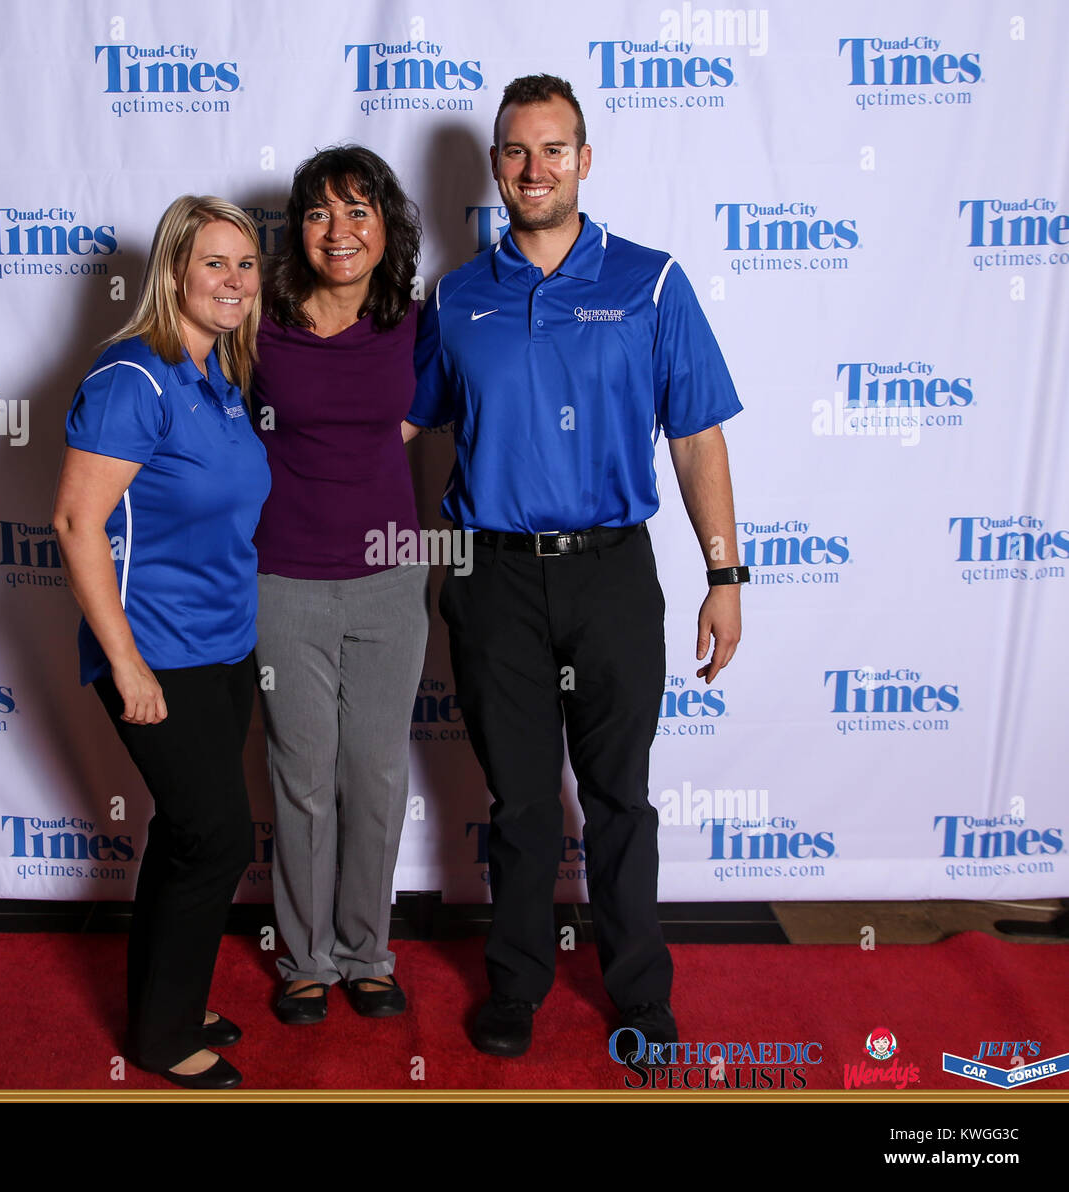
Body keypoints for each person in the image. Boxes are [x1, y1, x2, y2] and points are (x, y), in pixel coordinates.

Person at [404, 75, 748, 1059]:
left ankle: (639, 991)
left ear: (584, 161)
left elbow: (696, 441)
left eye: (553, 149)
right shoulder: (457, 293)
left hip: (610, 573)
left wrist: (726, 577)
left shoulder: (648, 281)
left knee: (617, 800)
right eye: (515, 151)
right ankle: (514, 983)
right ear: (495, 169)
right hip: (493, 576)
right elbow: (404, 427)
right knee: (516, 802)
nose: (533, 168)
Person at [53, 195, 270, 1088]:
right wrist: (129, 663)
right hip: (157, 658)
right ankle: (161, 1035)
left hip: (224, 652)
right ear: (175, 271)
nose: (234, 281)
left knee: (187, 836)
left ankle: (166, 1004)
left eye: (246, 265)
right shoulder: (130, 378)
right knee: (215, 838)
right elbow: (74, 521)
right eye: (214, 263)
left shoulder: (218, 379)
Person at [253, 146, 428, 1024]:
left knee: (376, 773)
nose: (340, 229)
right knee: (302, 775)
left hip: (393, 581)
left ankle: (368, 952)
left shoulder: (414, 320)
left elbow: (413, 418)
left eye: (359, 210)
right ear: (298, 229)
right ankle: (305, 959)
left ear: (387, 225)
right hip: (283, 578)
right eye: (321, 212)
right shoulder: (261, 319)